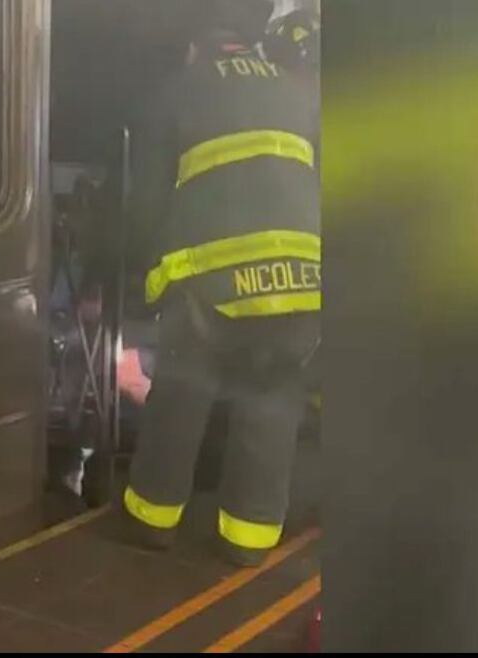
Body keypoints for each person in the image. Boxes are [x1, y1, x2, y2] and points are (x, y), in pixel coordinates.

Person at [122, 0, 321, 567]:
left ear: (196, 49)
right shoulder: (297, 92)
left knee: (183, 393)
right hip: (306, 280)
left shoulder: (177, 92)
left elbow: (148, 203)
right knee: (272, 401)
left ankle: (152, 520)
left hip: (211, 281)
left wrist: (146, 274)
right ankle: (246, 540)